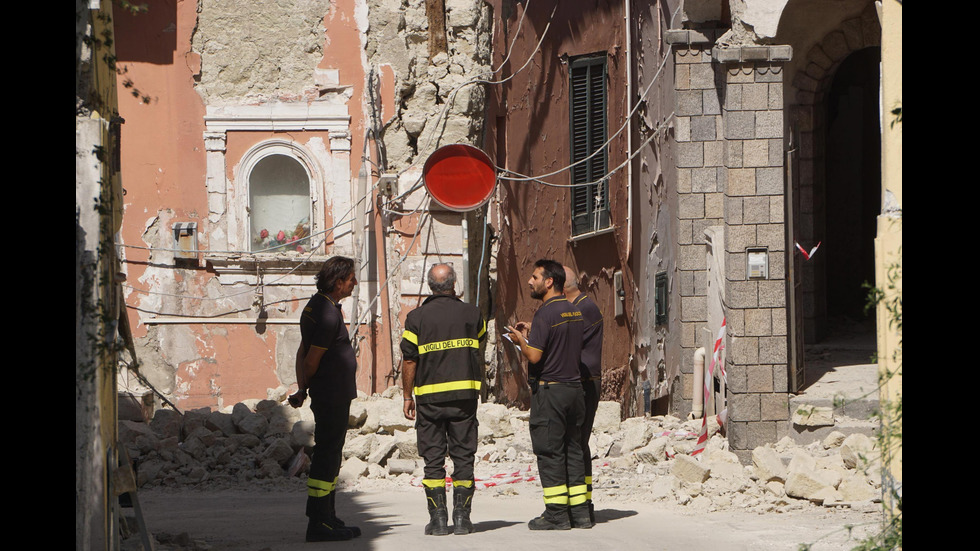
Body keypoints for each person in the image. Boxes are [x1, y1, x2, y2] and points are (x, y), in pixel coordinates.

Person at [401, 263, 486, 536]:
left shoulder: (416, 318)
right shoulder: (472, 314)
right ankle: (462, 519)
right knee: (464, 456)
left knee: (433, 459)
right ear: (454, 285)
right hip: (464, 399)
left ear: (430, 286)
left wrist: (407, 395)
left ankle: (438, 521)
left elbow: (410, 360)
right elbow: (480, 341)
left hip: (430, 401)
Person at [505, 259, 590, 530]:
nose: (530, 281)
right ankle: (580, 513)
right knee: (574, 449)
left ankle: (556, 514)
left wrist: (519, 341)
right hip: (574, 391)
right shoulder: (573, 311)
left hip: (551, 392)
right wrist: (533, 334)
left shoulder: (545, 313)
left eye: (535, 277)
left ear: (549, 281)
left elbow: (535, 355)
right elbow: (559, 345)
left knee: (550, 452)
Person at [287, 256, 361, 542]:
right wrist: (305, 388)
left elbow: (301, 351)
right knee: (328, 455)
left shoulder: (318, 306)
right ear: (338, 281)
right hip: (331, 394)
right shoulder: (328, 314)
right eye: (351, 278)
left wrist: (303, 387)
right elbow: (311, 359)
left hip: (331, 393)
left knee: (331, 453)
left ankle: (327, 515)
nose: (354, 282)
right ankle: (319, 522)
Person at [563, 265, 603, 526]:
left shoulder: (581, 309)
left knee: (576, 445)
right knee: (576, 444)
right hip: (581, 381)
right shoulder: (577, 308)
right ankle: (580, 503)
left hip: (584, 383)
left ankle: (581, 505)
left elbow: (565, 343)